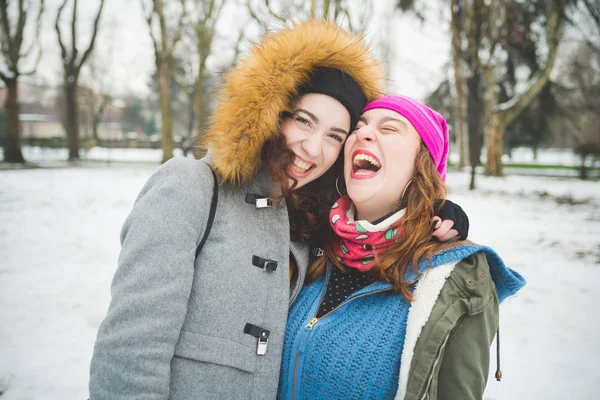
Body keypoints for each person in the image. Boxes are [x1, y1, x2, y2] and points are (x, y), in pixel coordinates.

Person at [278, 95, 526, 400]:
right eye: (359, 127)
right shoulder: (308, 240)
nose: (364, 134)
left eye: (390, 129)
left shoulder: (454, 280)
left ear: (421, 165)